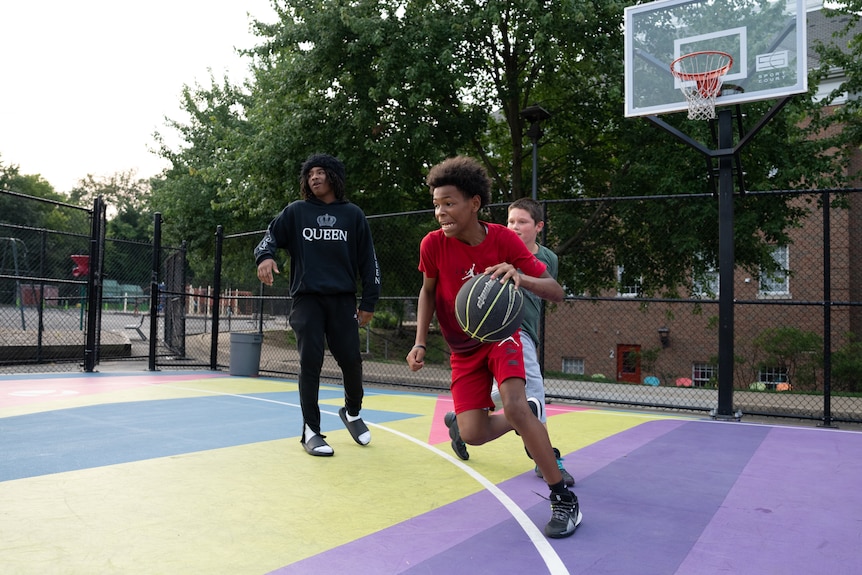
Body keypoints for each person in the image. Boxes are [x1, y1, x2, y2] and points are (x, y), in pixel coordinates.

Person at [405, 156, 582, 539]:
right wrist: (420, 340)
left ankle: (562, 497)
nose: (440, 212)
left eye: (449, 203)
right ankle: (523, 414)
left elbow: (557, 292)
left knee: (516, 406)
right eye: (436, 204)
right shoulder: (432, 245)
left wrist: (521, 275)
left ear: (474, 203)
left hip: (502, 336)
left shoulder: (503, 239)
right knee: (472, 433)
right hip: (462, 350)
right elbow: (427, 291)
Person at [255, 153, 381, 457]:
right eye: (309, 173)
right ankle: (311, 431)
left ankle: (352, 413)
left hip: (342, 300)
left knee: (351, 360)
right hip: (307, 300)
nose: (314, 177)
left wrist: (369, 301)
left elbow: (369, 261)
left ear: (334, 176)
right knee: (309, 363)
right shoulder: (296, 212)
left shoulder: (353, 215)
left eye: (321, 172)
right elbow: (268, 238)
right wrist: (266, 257)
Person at [489, 198, 574, 486]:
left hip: (527, 330)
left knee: (506, 390)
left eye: (522, 222)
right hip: (503, 329)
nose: (514, 227)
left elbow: (549, 292)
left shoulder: (549, 259)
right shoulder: (498, 251)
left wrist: (524, 279)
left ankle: (459, 419)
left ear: (538, 226)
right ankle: (545, 457)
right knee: (534, 389)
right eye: (510, 221)